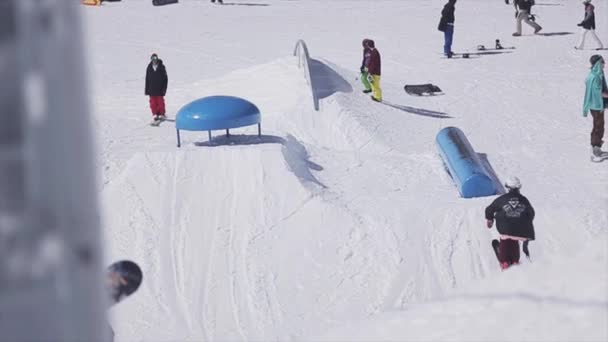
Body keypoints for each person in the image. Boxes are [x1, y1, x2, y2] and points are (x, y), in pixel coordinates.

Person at [485, 176, 535, 270]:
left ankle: (504, 261)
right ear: (519, 187)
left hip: (505, 229)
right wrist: (525, 223)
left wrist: (490, 220)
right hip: (521, 231)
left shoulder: (502, 199)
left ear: (507, 187)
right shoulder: (524, 200)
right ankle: (515, 260)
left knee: (506, 236)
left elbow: (489, 209)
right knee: (515, 237)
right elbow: (531, 213)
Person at [583, 54, 608, 160]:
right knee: (598, 127)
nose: (604, 63)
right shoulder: (595, 76)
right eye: (602, 61)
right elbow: (598, 93)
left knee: (599, 126)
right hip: (596, 106)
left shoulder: (597, 74)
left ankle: (596, 147)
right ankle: (594, 149)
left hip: (597, 105)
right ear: (598, 63)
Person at [145, 53, 168, 122]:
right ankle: (155, 114)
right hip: (152, 89)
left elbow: (165, 79)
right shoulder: (149, 67)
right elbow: (147, 79)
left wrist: (164, 89)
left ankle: (161, 113)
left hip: (159, 89)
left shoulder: (162, 67)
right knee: (153, 103)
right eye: (153, 58)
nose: (154, 60)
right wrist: (147, 90)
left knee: (160, 102)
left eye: (155, 58)